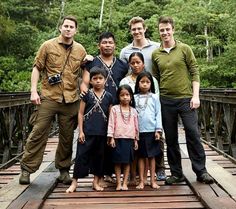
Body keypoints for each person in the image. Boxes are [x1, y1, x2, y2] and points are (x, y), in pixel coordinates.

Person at [19, 15, 87, 185]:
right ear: (60, 28)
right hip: (49, 96)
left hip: (71, 99)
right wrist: (33, 91)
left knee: (66, 137)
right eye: (66, 26)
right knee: (38, 132)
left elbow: (84, 73)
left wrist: (89, 63)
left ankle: (63, 171)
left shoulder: (80, 50)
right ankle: (27, 169)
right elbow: (37, 68)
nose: (68, 29)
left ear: (76, 30)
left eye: (72, 27)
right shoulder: (47, 46)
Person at [152, 16, 214, 185]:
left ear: (173, 29)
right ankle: (176, 173)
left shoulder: (185, 49)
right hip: (166, 100)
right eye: (162, 30)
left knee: (193, 134)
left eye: (167, 29)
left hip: (186, 99)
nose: (165, 32)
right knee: (171, 138)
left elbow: (195, 71)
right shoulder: (155, 53)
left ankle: (201, 171)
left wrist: (196, 96)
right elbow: (156, 77)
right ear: (159, 32)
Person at [120, 17, 166, 181]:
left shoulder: (156, 47)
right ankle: (135, 174)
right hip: (134, 97)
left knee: (157, 138)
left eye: (139, 28)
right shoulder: (125, 51)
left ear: (144, 29)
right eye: (134, 29)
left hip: (151, 92)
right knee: (134, 141)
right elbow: (123, 73)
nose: (137, 31)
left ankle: (160, 168)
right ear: (130, 31)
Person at [81, 32, 129, 183]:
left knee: (113, 140)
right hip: (97, 109)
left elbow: (127, 84)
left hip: (117, 107)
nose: (107, 45)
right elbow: (85, 82)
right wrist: (84, 93)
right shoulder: (92, 62)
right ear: (99, 45)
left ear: (115, 45)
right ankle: (98, 175)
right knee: (99, 142)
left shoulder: (122, 64)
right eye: (104, 42)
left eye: (110, 42)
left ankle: (110, 172)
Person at [66, 67, 113, 193]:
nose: (98, 81)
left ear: (105, 80)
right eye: (95, 78)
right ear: (90, 81)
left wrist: (110, 134)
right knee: (81, 156)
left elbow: (110, 116)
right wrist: (80, 131)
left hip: (102, 132)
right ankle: (74, 182)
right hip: (87, 131)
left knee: (99, 157)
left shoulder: (109, 96)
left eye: (100, 78)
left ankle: (96, 182)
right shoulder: (86, 95)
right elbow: (81, 113)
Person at [134, 71, 162, 189]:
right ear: (138, 83)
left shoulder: (155, 97)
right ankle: (141, 180)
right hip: (139, 131)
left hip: (151, 130)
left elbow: (158, 113)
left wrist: (158, 130)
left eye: (147, 82)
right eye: (142, 82)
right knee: (141, 156)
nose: (145, 84)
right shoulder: (134, 98)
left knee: (152, 156)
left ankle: (152, 180)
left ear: (151, 84)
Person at [107, 85, 139, 190]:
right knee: (117, 162)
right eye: (122, 95)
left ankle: (125, 183)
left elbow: (136, 126)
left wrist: (136, 140)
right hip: (117, 138)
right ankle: (118, 183)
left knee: (127, 162)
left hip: (129, 139)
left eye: (127, 95)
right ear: (118, 97)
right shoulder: (115, 109)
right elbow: (111, 123)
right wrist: (111, 137)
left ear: (131, 97)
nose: (125, 97)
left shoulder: (133, 111)